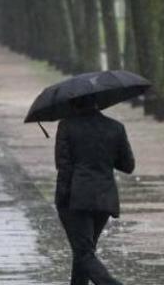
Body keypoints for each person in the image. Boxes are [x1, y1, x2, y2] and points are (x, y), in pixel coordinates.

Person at [55, 95, 135, 285]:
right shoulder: (115, 127)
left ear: (73, 103)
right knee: (84, 251)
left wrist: (61, 199)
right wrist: (104, 155)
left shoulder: (67, 126)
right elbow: (128, 165)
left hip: (76, 198)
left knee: (83, 252)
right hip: (105, 198)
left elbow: (64, 167)